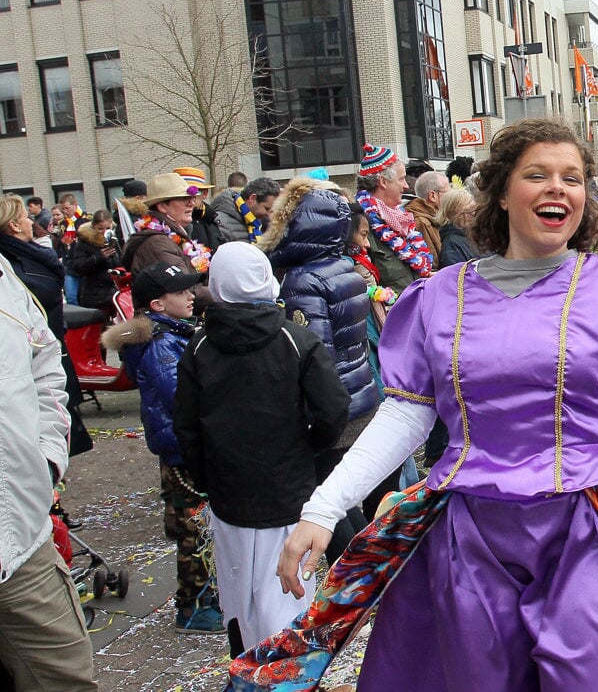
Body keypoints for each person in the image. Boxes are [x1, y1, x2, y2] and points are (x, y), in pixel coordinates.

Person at [234, 119, 598, 691]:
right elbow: (407, 415)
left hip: (589, 529)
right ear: (503, 192)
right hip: (473, 533)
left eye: (573, 178)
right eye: (537, 175)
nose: (558, 189)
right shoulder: (438, 297)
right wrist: (323, 508)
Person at [172, 242, 349, 655]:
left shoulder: (200, 346)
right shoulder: (295, 339)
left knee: (243, 594)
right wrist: (311, 451)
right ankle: (283, 672)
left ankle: (253, 667)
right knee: (286, 595)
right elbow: (333, 408)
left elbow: (187, 426)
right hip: (283, 486)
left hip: (233, 490)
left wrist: (206, 477)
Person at [259, 177, 387, 563]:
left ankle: (358, 575)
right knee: (343, 495)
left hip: (334, 405)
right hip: (359, 391)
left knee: (324, 501)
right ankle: (368, 569)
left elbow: (314, 355)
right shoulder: (343, 267)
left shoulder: (303, 280)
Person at [101, 264, 223, 634]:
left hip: (180, 444)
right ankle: (195, 606)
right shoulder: (159, 343)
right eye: (181, 292)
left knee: (193, 525)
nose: (191, 296)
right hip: (182, 449)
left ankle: (205, 597)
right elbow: (183, 396)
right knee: (195, 530)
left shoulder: (173, 332)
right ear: (156, 303)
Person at [0, 250, 97, 692]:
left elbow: (44, 361)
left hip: (21, 539)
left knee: (67, 679)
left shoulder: (3, 274)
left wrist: (45, 459)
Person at [0, 195, 92, 457]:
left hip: (52, 346)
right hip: (35, 353)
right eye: (25, 218)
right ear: (15, 226)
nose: (31, 222)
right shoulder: (12, 264)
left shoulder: (32, 255)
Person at [122, 173, 213, 311]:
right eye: (183, 199)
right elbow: (185, 291)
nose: (191, 203)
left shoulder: (174, 235)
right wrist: (227, 294)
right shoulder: (157, 243)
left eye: (191, 198)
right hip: (168, 323)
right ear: (162, 207)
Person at [354, 143, 434, 296]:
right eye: (401, 179)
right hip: (392, 314)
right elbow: (366, 286)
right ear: (383, 182)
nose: (406, 186)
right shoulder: (360, 223)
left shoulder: (401, 218)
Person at [68, 210, 121, 313]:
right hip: (95, 295)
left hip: (115, 292)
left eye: (107, 228)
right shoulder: (85, 241)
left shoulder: (116, 239)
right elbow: (78, 266)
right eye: (100, 229)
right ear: (93, 226)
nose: (104, 231)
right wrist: (98, 257)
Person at [211, 177, 281, 244]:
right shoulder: (220, 223)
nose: (269, 215)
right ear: (252, 199)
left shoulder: (259, 222)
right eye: (267, 209)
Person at [406, 171, 451, 259]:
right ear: (432, 196)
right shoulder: (422, 222)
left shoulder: (433, 217)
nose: (450, 197)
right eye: (447, 193)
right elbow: (432, 261)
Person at [434, 189, 480, 268]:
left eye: (473, 209)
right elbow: (456, 276)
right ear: (450, 215)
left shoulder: (477, 234)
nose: (472, 214)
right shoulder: (451, 244)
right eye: (466, 212)